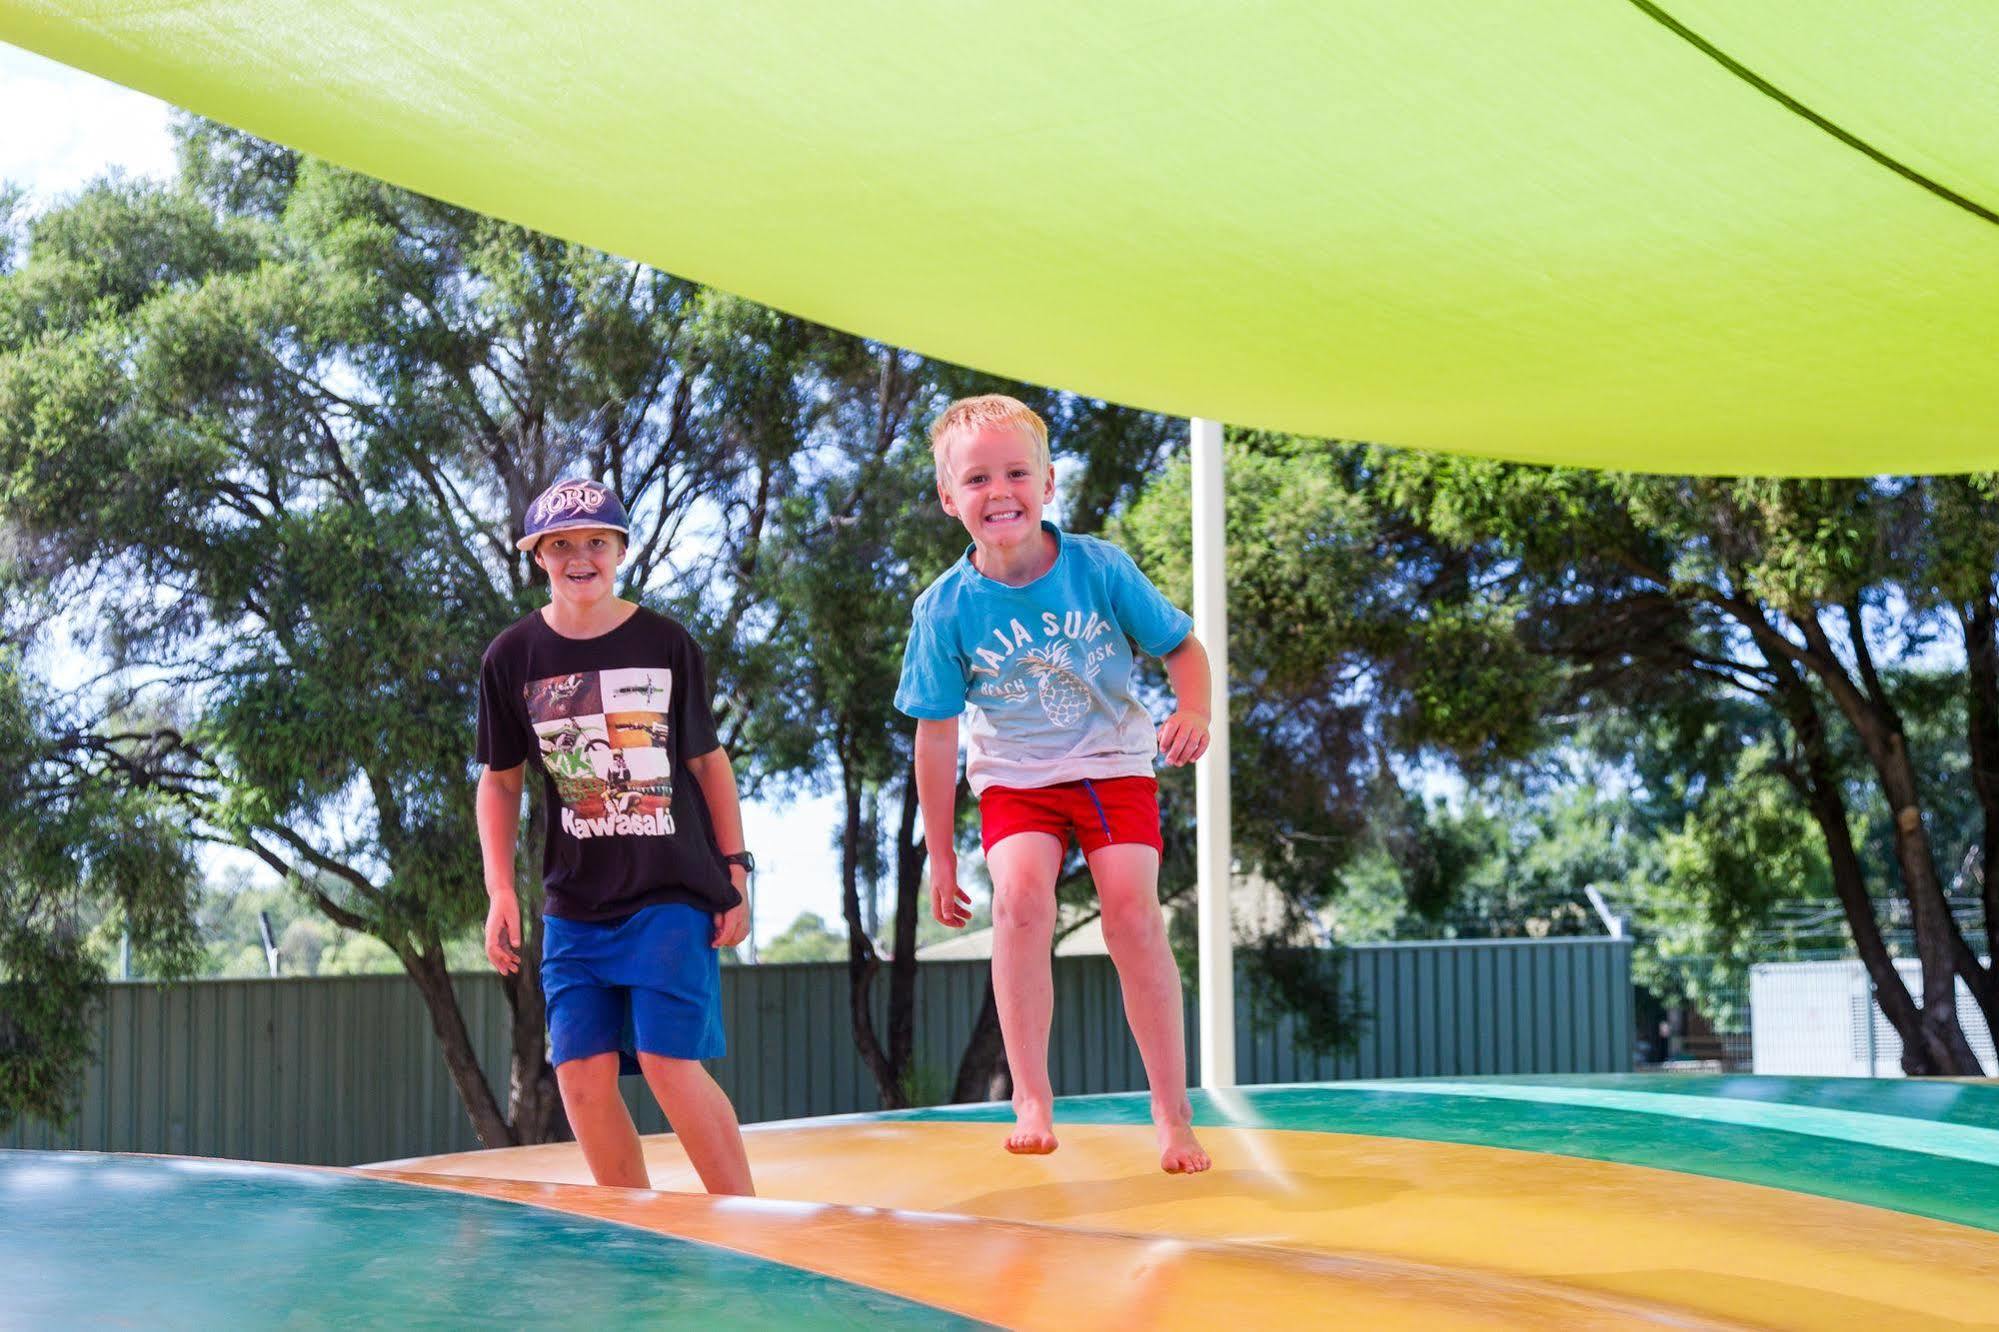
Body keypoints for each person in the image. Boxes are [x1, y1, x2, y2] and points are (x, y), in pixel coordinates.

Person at [896, 395, 1214, 1174]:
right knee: (1022, 901)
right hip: (1017, 780)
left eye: (1014, 473)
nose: (998, 490)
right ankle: (1031, 1095)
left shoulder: (1098, 567)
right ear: (948, 498)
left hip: (1110, 762)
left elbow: (1181, 646)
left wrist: (1194, 709)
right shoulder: (943, 609)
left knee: (1132, 914)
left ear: (1046, 483)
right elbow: (935, 736)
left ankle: (1171, 1113)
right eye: (976, 479)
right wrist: (940, 857)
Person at [476, 477, 754, 1194]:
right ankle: (636, 1226)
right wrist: (499, 888)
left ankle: (749, 1228)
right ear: (537, 556)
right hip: (574, 906)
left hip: (670, 893)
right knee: (579, 1075)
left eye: (595, 541)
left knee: (667, 1064)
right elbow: (500, 780)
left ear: (621, 549)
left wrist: (737, 871)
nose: (579, 556)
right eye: (560, 544)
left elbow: (706, 762)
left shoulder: (665, 642)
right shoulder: (512, 657)